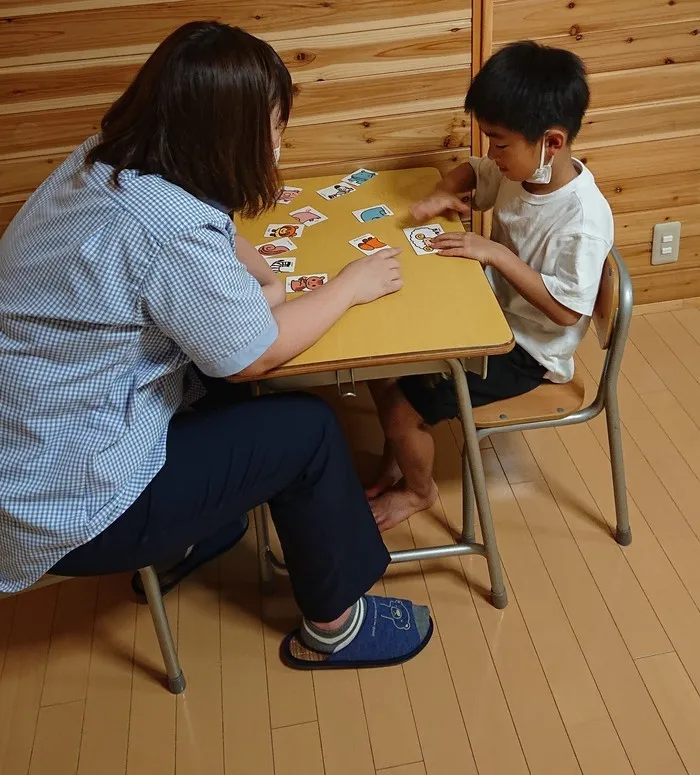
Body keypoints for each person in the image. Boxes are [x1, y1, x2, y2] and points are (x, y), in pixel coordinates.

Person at [0, 22, 433, 670]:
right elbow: (254, 352)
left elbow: (203, 236)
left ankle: (199, 532)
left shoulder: (105, 157)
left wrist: (256, 270)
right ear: (229, 137)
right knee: (307, 428)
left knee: (225, 382)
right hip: (74, 500)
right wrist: (349, 285)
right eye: (277, 130)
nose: (281, 145)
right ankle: (335, 626)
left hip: (28, 452)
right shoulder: (171, 233)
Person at [368, 41, 613, 531]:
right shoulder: (520, 172)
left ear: (553, 142)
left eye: (500, 143)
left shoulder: (580, 220)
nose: (491, 155)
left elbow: (567, 313)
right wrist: (443, 191)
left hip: (529, 353)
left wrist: (497, 254)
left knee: (398, 405)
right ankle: (403, 451)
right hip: (486, 316)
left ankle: (418, 490)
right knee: (380, 359)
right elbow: (473, 171)